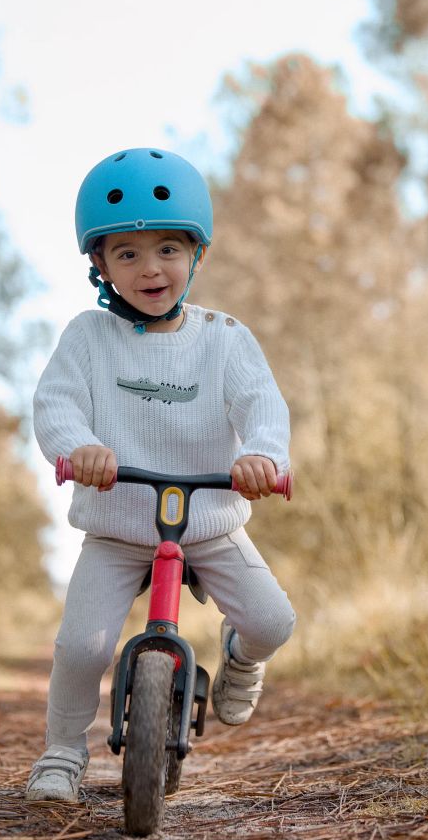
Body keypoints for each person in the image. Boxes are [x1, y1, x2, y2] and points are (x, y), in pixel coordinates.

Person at [26, 147, 295, 803]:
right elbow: (55, 404)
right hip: (118, 526)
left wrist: (263, 457)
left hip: (207, 522)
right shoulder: (88, 338)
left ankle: (239, 657)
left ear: (196, 253)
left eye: (169, 248)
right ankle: (61, 755)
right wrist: (79, 446)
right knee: (83, 648)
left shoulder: (225, 339)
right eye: (127, 253)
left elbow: (263, 407)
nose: (151, 268)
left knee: (272, 621)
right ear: (99, 264)